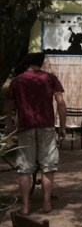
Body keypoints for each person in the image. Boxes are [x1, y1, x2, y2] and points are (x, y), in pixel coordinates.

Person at [6, 52, 67, 214]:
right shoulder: (50, 78)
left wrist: (9, 126)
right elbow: (61, 103)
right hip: (46, 126)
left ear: (27, 64)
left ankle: (25, 207)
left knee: (24, 168)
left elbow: (8, 107)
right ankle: (46, 203)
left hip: (25, 127)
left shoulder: (17, 81)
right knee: (48, 167)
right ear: (40, 63)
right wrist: (62, 127)